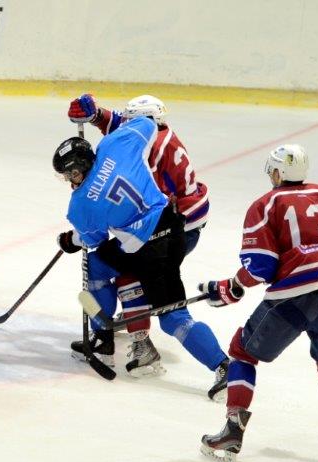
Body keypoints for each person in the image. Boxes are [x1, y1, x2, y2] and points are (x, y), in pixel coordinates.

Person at [198, 144, 318, 462]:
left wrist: (232, 287)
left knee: (242, 352)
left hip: (294, 296)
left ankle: (232, 431)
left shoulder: (265, 204)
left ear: (278, 173)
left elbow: (262, 266)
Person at [52, 115, 228, 400]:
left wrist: (69, 240)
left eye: (69, 175)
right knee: (100, 263)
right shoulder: (114, 144)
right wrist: (102, 118)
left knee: (172, 317)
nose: (69, 181)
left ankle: (224, 367)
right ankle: (107, 338)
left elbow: (94, 240)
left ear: (79, 168)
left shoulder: (80, 205)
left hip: (148, 251)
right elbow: (147, 123)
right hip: (174, 228)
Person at [68, 94, 210, 375]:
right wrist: (96, 115)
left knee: (128, 273)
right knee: (119, 262)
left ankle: (138, 343)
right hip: (176, 222)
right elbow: (124, 133)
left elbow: (122, 148)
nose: (126, 124)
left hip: (176, 228)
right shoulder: (158, 132)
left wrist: (85, 221)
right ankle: (124, 333)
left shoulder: (155, 150)